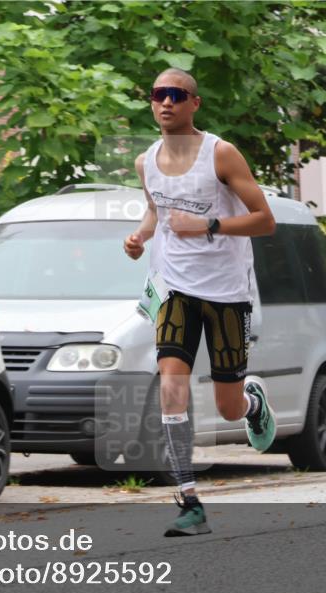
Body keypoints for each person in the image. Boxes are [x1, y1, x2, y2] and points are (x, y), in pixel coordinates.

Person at [123, 68, 277, 537]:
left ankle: (252, 403)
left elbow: (264, 220)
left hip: (227, 291)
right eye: (157, 95)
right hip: (173, 288)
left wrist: (209, 226)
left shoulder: (221, 154)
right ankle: (189, 501)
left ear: (195, 103)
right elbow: (155, 209)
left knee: (227, 406)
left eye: (176, 95)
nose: (165, 102)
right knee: (172, 386)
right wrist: (140, 236)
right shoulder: (144, 161)